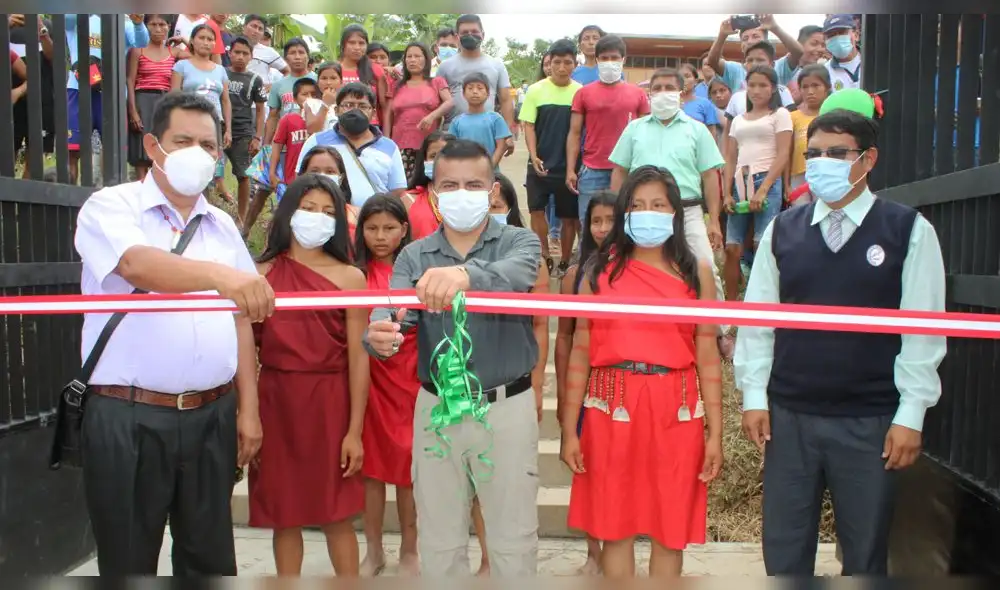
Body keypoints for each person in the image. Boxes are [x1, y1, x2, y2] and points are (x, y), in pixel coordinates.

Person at [735, 109, 946, 575]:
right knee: (785, 553)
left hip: (870, 422)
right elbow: (758, 320)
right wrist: (754, 396)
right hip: (789, 419)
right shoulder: (782, 230)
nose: (820, 163)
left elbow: (923, 329)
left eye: (836, 153)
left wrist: (911, 414)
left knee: (866, 553)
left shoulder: (908, 231)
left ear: (867, 159)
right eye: (813, 154)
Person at [73, 92, 274, 575]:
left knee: (209, 559)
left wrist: (249, 409)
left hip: (212, 415)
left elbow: (240, 317)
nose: (197, 153)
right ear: (152, 145)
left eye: (208, 144)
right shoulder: (110, 205)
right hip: (128, 415)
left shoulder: (222, 224)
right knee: (128, 561)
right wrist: (222, 277)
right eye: (181, 140)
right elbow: (137, 265)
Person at [363, 139, 542, 577]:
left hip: (506, 406)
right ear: (434, 193)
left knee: (513, 537)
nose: (462, 193)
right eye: (450, 185)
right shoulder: (413, 254)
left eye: (474, 184)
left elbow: (517, 277)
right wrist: (380, 334)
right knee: (439, 538)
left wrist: (462, 275)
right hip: (437, 407)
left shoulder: (521, 242)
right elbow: (392, 313)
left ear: (493, 189)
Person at [561, 165, 724, 578]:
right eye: (636, 205)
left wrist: (717, 433)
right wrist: (568, 428)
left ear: (675, 213)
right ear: (623, 213)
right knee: (614, 527)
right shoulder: (598, 272)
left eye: (658, 205)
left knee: (671, 529)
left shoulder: (695, 272)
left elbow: (706, 353)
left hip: (677, 407)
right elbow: (580, 350)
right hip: (610, 405)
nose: (647, 213)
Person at [251, 174, 367, 576]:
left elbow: (359, 358)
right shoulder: (261, 274)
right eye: (309, 208)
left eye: (328, 212)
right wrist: (246, 414)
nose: (317, 218)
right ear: (289, 212)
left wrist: (354, 430)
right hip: (276, 400)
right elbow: (244, 348)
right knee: (284, 515)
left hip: (330, 401)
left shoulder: (351, 277)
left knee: (337, 515)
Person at [607, 68, 730, 357]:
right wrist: (618, 212)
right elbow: (619, 171)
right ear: (650, 94)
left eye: (669, 87)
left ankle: (719, 332)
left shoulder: (697, 130)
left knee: (705, 266)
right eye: (657, 88)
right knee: (635, 269)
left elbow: (710, 176)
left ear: (682, 93)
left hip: (686, 212)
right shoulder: (634, 129)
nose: (663, 93)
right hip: (640, 212)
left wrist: (713, 221)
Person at [351, 195, 420, 577]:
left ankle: (411, 549)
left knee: (410, 470)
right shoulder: (355, 273)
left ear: (404, 230)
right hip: (372, 381)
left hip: (410, 378)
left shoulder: (414, 270)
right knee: (373, 472)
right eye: (372, 228)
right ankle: (373, 549)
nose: (380, 236)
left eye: (390, 228)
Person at [553, 189, 616, 576]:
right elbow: (563, 337)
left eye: (611, 220)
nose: (603, 228)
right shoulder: (576, 275)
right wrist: (564, 397)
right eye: (596, 221)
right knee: (589, 471)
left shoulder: (633, 273)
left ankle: (618, 549)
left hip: (621, 382)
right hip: (586, 383)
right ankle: (594, 553)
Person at [566, 34, 649, 236]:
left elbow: (647, 132)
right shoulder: (583, 93)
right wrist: (571, 169)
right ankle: (589, 266)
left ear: (623, 60)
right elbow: (574, 133)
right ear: (596, 60)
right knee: (590, 226)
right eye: (604, 58)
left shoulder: (637, 94)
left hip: (628, 170)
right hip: (592, 171)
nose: (609, 62)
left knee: (626, 225)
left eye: (614, 57)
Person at [722, 65, 792, 303]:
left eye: (763, 85)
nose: (756, 90)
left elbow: (783, 154)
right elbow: (730, 157)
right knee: (732, 247)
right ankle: (730, 309)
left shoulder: (780, 114)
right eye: (751, 85)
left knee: (761, 244)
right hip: (739, 182)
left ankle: (760, 303)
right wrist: (726, 193)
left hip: (766, 180)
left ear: (773, 88)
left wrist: (764, 189)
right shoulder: (738, 119)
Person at [521, 39, 583, 278]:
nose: (561, 67)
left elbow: (578, 131)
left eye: (567, 62)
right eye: (557, 62)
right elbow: (529, 126)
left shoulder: (580, 92)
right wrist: (534, 156)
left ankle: (565, 262)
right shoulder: (536, 90)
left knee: (569, 217)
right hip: (540, 163)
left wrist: (572, 166)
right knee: (536, 210)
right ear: (549, 63)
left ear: (574, 64)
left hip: (568, 166)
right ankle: (545, 255)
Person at [66, 13, 150, 184]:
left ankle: (110, 201)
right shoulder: (79, 16)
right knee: (72, 152)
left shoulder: (122, 20)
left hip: (112, 93)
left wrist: (138, 23)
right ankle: (69, 205)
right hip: (78, 90)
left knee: (114, 153)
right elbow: (65, 18)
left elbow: (141, 42)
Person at [295, 83, 408, 207]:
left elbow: (397, 190)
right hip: (328, 217)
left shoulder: (389, 147)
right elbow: (300, 181)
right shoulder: (317, 141)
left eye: (363, 106)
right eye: (348, 105)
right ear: (336, 110)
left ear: (373, 113)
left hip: (370, 221)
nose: (355, 110)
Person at [436, 13, 515, 146]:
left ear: (483, 35)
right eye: (465, 32)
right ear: (457, 37)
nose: (470, 35)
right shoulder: (445, 67)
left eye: (474, 31)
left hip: (488, 133)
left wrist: (507, 135)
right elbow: (437, 102)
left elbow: (506, 100)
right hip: (453, 134)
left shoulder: (496, 65)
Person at [171, 24, 232, 193]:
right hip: (189, 123)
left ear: (214, 44)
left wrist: (228, 129)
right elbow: (173, 97)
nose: (206, 42)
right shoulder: (182, 66)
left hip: (214, 124)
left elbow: (225, 101)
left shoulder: (220, 70)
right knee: (189, 165)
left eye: (210, 39)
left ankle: (204, 204)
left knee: (209, 166)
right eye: (202, 38)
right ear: (192, 41)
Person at [127, 14, 183, 181]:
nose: (158, 29)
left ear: (169, 27)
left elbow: (199, 58)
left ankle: (158, 189)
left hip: (165, 101)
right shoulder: (138, 51)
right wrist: (133, 111)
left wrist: (185, 41)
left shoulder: (174, 52)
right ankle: (141, 188)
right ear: (146, 27)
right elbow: (130, 80)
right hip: (143, 100)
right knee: (141, 149)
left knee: (162, 145)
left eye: (162, 25)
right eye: (153, 24)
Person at [390, 42, 453, 178]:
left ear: (426, 59)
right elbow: (389, 115)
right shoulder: (397, 86)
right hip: (400, 146)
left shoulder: (436, 82)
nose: (413, 60)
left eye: (417, 56)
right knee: (404, 188)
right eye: (409, 56)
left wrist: (431, 116)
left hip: (429, 146)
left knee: (429, 183)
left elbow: (449, 102)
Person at [225, 36, 267, 226]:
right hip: (218, 130)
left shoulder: (255, 80)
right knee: (208, 174)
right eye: (237, 52)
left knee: (243, 175)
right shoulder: (220, 73)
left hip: (243, 133)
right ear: (229, 53)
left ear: (251, 56)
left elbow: (260, 111)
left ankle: (241, 219)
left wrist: (257, 137)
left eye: (245, 53)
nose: (240, 57)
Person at [707, 14, 804, 93]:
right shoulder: (734, 70)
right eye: (745, 39)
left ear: (766, 41)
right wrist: (722, 35)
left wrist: (775, 28)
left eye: (755, 36)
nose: (750, 41)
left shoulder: (778, 67)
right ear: (741, 46)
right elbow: (712, 61)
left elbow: (798, 52)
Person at [269, 78, 318, 197]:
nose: (309, 98)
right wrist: (272, 172)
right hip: (292, 178)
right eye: (304, 94)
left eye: (313, 94)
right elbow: (277, 146)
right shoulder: (288, 119)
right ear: (295, 99)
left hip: (317, 178)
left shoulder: (324, 121)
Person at [450, 72, 511, 168]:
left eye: (480, 88)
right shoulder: (456, 122)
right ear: (463, 94)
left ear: (487, 93)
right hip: (463, 171)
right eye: (470, 88)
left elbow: (501, 147)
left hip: (491, 173)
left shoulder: (496, 119)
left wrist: (489, 168)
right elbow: (452, 148)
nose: (475, 91)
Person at [788, 65, 831, 199]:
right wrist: (787, 184)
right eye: (805, 87)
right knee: (800, 215)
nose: (810, 91)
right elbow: (787, 153)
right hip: (799, 176)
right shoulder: (792, 117)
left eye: (816, 86)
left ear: (827, 88)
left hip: (826, 173)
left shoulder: (833, 116)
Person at [298, 145, 360, 241]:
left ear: (341, 178)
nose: (323, 177)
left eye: (330, 172)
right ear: (303, 175)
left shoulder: (356, 215)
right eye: (315, 171)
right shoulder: (291, 213)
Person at [337, 25, 390, 132]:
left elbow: (386, 108)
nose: (357, 47)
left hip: (370, 128)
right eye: (352, 43)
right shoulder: (334, 70)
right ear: (343, 45)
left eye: (361, 43)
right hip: (341, 127)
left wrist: (386, 135)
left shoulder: (375, 70)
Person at [402, 131, 455, 240]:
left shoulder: (470, 198)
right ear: (424, 160)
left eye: (447, 155)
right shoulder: (408, 200)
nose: (439, 161)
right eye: (433, 156)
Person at [679, 63, 722, 139]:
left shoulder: (705, 104)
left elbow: (712, 133)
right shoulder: (670, 103)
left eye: (687, 76)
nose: (683, 79)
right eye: (680, 77)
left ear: (695, 81)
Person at [823, 14, 863, 91]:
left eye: (842, 32)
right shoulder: (824, 72)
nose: (837, 38)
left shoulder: (874, 64)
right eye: (831, 35)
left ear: (856, 35)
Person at [243, 14, 290, 80]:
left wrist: (273, 86)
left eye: (260, 29)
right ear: (244, 27)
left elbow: (288, 71)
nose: (256, 31)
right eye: (254, 26)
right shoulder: (232, 45)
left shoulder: (269, 51)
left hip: (260, 90)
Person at [304, 62, 345, 134]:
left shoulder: (347, 104)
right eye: (324, 78)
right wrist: (325, 104)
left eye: (333, 78)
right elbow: (312, 130)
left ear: (341, 82)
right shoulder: (310, 103)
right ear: (318, 82)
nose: (328, 82)